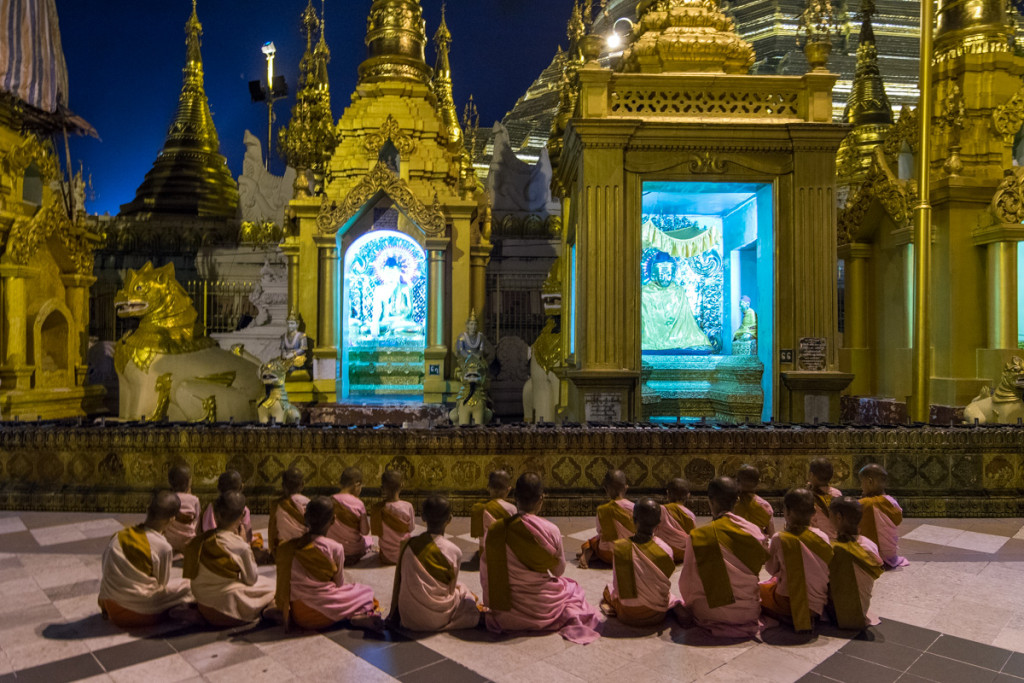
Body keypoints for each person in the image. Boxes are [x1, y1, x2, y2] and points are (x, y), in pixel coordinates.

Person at [482, 472, 603, 644]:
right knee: (571, 587)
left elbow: (486, 575)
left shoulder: (495, 531)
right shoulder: (550, 529)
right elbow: (558, 571)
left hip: (506, 612)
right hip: (544, 607)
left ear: (514, 497)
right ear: (541, 498)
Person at [677, 476, 769, 638]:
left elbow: (687, 582)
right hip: (748, 612)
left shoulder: (698, 535)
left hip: (708, 612)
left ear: (710, 501)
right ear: (736, 500)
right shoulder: (755, 532)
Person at [275, 496, 382, 631]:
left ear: (305, 517)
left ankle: (352, 616)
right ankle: (354, 617)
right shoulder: (335, 548)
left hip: (298, 614)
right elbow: (339, 584)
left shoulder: (288, 547)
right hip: (324, 613)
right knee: (365, 592)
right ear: (332, 520)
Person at [98, 491, 192, 628]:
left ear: (148, 510)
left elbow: (105, 568)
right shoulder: (163, 547)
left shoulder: (118, 536)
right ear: (172, 519)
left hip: (110, 604)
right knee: (188, 586)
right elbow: (162, 584)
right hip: (141, 613)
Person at [388, 495, 482, 632]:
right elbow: (450, 589)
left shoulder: (409, 545)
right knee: (465, 594)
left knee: (460, 589)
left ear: (423, 517)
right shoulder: (454, 551)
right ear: (449, 519)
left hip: (408, 617)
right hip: (439, 617)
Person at [184, 491, 276, 626]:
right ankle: (270, 608)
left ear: (214, 514)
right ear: (242, 516)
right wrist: (244, 544)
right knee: (272, 586)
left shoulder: (198, 541)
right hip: (226, 609)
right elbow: (251, 580)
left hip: (202, 600)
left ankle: (199, 615)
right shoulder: (240, 546)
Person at [759, 489, 833, 633]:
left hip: (788, 603)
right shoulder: (823, 537)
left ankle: (789, 618)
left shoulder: (780, 538)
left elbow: (771, 570)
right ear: (813, 512)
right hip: (818, 604)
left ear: (786, 511)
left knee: (759, 591)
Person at [602, 497, 681, 628]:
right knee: (670, 596)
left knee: (608, 590)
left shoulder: (620, 548)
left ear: (633, 520)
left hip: (627, 615)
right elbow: (662, 582)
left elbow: (618, 586)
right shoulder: (666, 550)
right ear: (659, 523)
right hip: (658, 614)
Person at [827, 497, 884, 631]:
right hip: (862, 611)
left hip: (839, 615)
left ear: (838, 517)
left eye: (830, 516)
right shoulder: (870, 544)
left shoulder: (834, 548)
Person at [578, 470, 635, 568]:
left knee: (593, 541)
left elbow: (601, 533)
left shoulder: (602, 510)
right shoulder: (635, 508)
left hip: (607, 555)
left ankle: (590, 551)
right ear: (626, 487)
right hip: (631, 554)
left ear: (606, 489)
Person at [858, 464, 909, 569]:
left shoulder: (865, 504)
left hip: (871, 553)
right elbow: (897, 520)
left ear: (870, 482)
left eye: (862, 482)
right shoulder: (892, 502)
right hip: (890, 555)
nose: (861, 486)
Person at [370, 469, 415, 565]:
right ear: (402, 485)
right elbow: (411, 529)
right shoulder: (408, 506)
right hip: (404, 556)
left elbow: (376, 531)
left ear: (382, 488)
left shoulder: (377, 508)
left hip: (386, 557)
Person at [328, 467, 371, 565]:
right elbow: (365, 531)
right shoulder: (359, 504)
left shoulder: (330, 501)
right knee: (368, 539)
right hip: (352, 553)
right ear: (357, 484)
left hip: (333, 552)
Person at [470, 470, 516, 555]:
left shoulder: (479, 508)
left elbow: (478, 535)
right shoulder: (512, 509)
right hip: (505, 553)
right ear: (508, 489)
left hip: (484, 552)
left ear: (488, 488)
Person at [654, 478, 696, 563]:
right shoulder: (690, 515)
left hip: (663, 551)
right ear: (688, 495)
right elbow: (692, 536)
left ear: (668, 494)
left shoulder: (662, 510)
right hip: (684, 553)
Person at [269, 468, 309, 555]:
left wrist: (273, 551)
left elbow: (272, 532)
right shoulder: (308, 503)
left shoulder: (276, 505)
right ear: (302, 484)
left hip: (283, 552)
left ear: (283, 485)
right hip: (305, 551)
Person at [164, 464, 200, 554]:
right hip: (189, 540)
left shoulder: (168, 498)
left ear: (170, 482)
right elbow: (197, 521)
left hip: (170, 541)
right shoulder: (194, 500)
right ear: (189, 482)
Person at [734, 465, 775, 537]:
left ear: (737, 481)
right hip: (758, 546)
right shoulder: (765, 505)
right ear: (758, 483)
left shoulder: (730, 503)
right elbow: (772, 535)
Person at [807, 458, 843, 541]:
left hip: (815, 539)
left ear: (811, 475)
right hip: (834, 539)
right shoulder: (837, 494)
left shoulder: (807, 495)